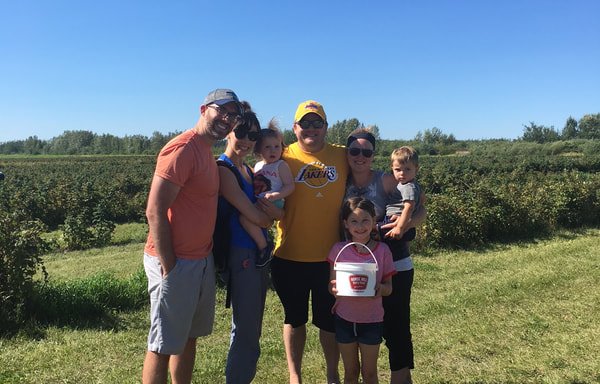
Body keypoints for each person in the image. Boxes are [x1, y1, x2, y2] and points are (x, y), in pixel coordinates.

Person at [142, 89, 243, 384]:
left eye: (232, 115)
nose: (226, 119)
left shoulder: (205, 152)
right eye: (221, 111)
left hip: (199, 260)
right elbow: (154, 210)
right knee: (162, 345)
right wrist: (170, 265)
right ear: (203, 109)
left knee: (187, 337)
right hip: (176, 262)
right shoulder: (183, 149)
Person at [271, 100, 349, 384]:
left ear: (326, 127)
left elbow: (373, 177)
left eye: (318, 123)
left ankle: (332, 374)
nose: (311, 129)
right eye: (305, 123)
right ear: (295, 128)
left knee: (329, 323)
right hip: (289, 255)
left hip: (331, 258)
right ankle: (295, 375)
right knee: (294, 319)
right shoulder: (281, 156)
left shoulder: (343, 156)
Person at [344, 128, 426, 384]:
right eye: (354, 150)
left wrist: (404, 226)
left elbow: (421, 209)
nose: (360, 156)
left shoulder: (386, 179)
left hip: (396, 265)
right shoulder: (340, 181)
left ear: (373, 154)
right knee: (357, 331)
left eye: (366, 151)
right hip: (355, 268)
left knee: (396, 328)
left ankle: (400, 379)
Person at [217, 103, 283, 383]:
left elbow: (270, 211)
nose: (246, 139)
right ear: (228, 133)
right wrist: (267, 221)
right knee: (245, 329)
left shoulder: (246, 170)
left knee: (252, 327)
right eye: (240, 131)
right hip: (242, 253)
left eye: (252, 135)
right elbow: (252, 212)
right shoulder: (224, 168)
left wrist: (270, 217)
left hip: (254, 253)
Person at [327, 197, 396, 384]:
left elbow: (389, 288)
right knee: (350, 372)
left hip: (372, 320)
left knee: (370, 373)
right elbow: (331, 285)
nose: (360, 226)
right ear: (346, 224)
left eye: (365, 220)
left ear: (374, 221)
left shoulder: (382, 251)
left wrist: (380, 288)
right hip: (344, 319)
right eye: (354, 221)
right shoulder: (338, 250)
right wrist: (334, 289)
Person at [239, 119, 294, 264]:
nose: (273, 150)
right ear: (258, 150)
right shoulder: (258, 166)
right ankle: (263, 243)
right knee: (248, 219)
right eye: (268, 147)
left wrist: (277, 194)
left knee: (245, 219)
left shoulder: (281, 165)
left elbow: (290, 186)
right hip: (262, 201)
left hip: (274, 202)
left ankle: (264, 247)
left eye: (277, 146)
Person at [379, 146, 421, 242]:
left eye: (407, 169)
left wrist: (400, 227)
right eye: (398, 170)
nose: (402, 173)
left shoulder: (408, 187)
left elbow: (409, 207)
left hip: (397, 222)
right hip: (399, 221)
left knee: (373, 231)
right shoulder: (407, 184)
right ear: (392, 168)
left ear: (416, 169)